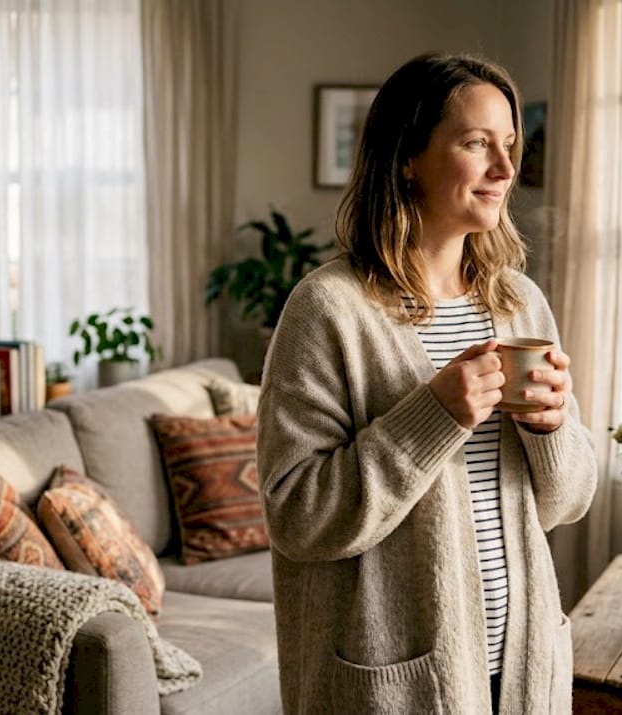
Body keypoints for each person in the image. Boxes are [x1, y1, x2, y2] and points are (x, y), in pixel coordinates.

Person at [256, 52, 598, 714]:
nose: (505, 170)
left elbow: (566, 502)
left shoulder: (520, 303)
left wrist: (551, 429)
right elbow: (297, 516)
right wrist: (435, 414)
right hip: (398, 684)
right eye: (477, 144)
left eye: (509, 145)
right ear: (407, 157)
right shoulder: (329, 309)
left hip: (524, 669)